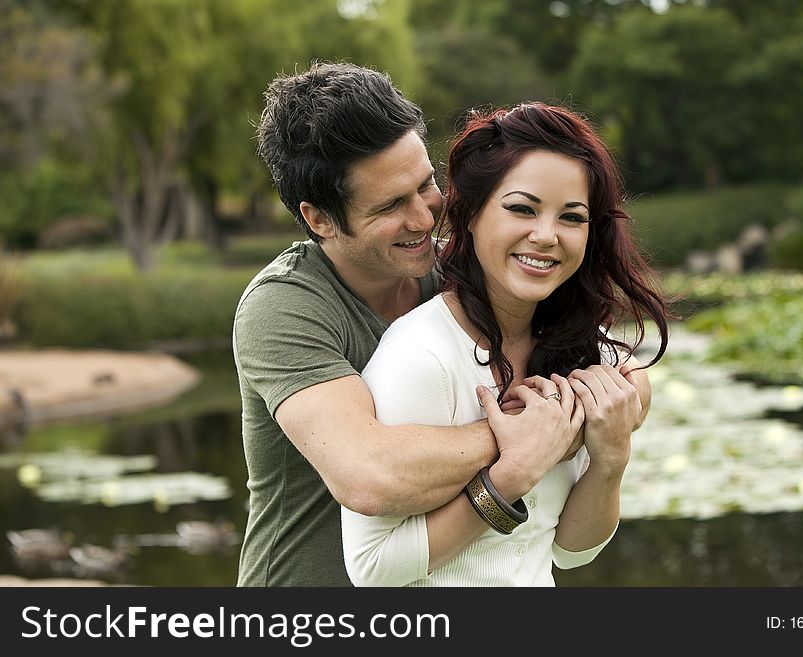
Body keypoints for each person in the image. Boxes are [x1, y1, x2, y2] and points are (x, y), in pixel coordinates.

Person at [233, 63, 629, 586]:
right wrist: (530, 430)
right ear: (320, 219)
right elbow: (371, 477)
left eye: (425, 186)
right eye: (391, 205)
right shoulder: (284, 308)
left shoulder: (454, 272)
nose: (424, 218)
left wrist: (599, 406)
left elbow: (617, 369)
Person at [341, 102, 670, 586]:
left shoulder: (584, 354)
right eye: (522, 208)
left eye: (571, 218)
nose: (545, 236)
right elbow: (371, 569)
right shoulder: (421, 355)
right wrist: (510, 475)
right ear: (471, 214)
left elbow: (571, 552)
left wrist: (611, 456)